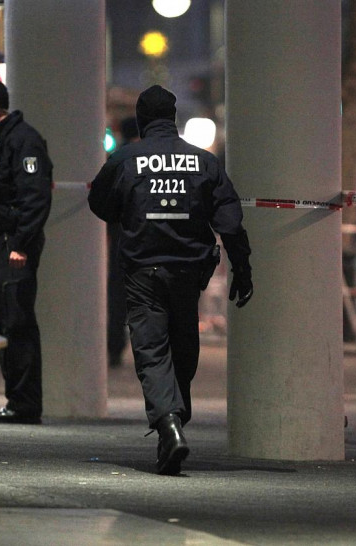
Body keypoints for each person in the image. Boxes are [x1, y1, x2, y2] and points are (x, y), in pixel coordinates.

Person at [88, 85, 253, 475]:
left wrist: (129, 214)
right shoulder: (204, 162)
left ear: (143, 121)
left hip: (144, 270)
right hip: (188, 273)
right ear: (174, 118)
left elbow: (100, 203)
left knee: (151, 351)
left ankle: (169, 424)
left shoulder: (126, 159)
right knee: (183, 350)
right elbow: (229, 219)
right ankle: (174, 423)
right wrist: (243, 268)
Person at [0, 80, 53, 425]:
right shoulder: (0, 139)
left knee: (17, 321)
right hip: (4, 241)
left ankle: (24, 402)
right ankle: (17, 398)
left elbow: (34, 197)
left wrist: (21, 244)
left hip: (14, 243)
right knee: (6, 320)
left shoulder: (23, 140)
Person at [107, 117, 139, 368]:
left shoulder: (116, 160)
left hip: (121, 237)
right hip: (150, 238)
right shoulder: (151, 159)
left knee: (118, 297)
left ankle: (115, 348)